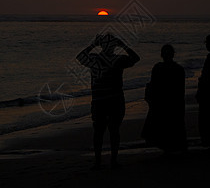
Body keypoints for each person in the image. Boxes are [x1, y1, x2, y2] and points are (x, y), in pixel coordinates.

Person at [76, 33, 140, 169]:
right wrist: (122, 45)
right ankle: (112, 160)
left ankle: (98, 161)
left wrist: (93, 44)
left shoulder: (95, 59)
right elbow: (135, 58)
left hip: (100, 101)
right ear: (114, 46)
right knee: (113, 131)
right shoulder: (118, 59)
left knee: (99, 131)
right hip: (114, 100)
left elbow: (80, 57)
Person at [141, 44, 187, 154]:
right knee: (172, 125)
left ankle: (168, 148)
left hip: (162, 101)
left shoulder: (159, 67)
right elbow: (180, 89)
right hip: (172, 101)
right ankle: (172, 147)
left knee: (163, 125)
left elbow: (153, 85)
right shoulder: (178, 69)